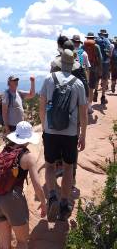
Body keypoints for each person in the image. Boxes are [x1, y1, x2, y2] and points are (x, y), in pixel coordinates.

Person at [38, 43, 88, 222]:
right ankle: (65, 204)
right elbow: (83, 113)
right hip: (70, 133)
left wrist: (44, 126)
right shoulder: (78, 84)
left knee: (50, 165)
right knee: (68, 167)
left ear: (60, 63)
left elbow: (42, 106)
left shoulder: (49, 79)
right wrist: (82, 135)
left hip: (50, 131)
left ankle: (52, 196)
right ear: (72, 65)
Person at [0, 121, 48, 249]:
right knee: (22, 242)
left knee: (3, 245)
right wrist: (43, 202)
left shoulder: (5, 151)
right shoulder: (28, 157)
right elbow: (37, 185)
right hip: (12, 200)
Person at [84, 33, 104, 103]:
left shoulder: (83, 46)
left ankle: (84, 102)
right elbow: (100, 58)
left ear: (87, 38)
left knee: (85, 86)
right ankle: (89, 105)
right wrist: (100, 69)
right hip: (93, 67)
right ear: (93, 38)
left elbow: (80, 57)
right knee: (91, 87)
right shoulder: (96, 46)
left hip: (85, 68)